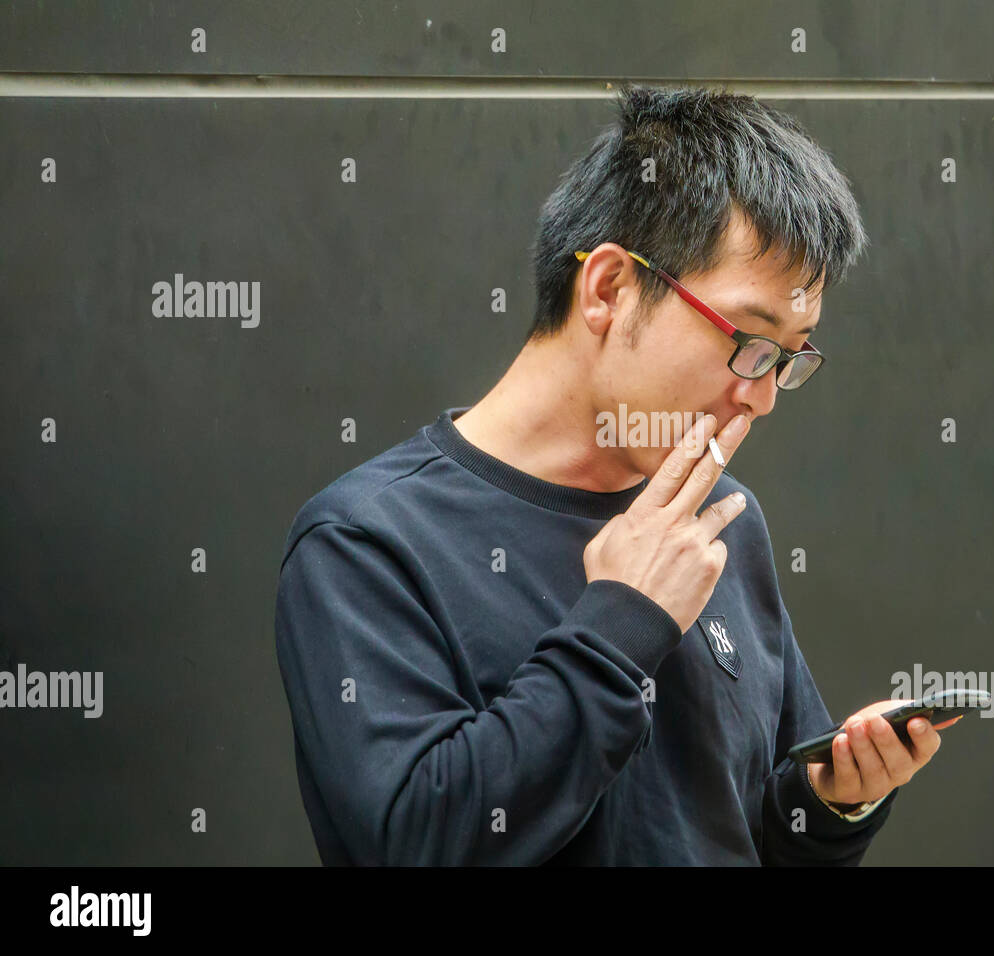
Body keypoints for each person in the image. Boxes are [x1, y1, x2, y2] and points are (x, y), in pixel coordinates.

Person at [274, 83, 950, 866]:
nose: (761, 394)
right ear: (608, 290)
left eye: (791, 357)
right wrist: (621, 624)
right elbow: (414, 842)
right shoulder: (368, 543)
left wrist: (830, 804)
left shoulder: (721, 515)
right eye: (750, 340)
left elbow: (734, 833)